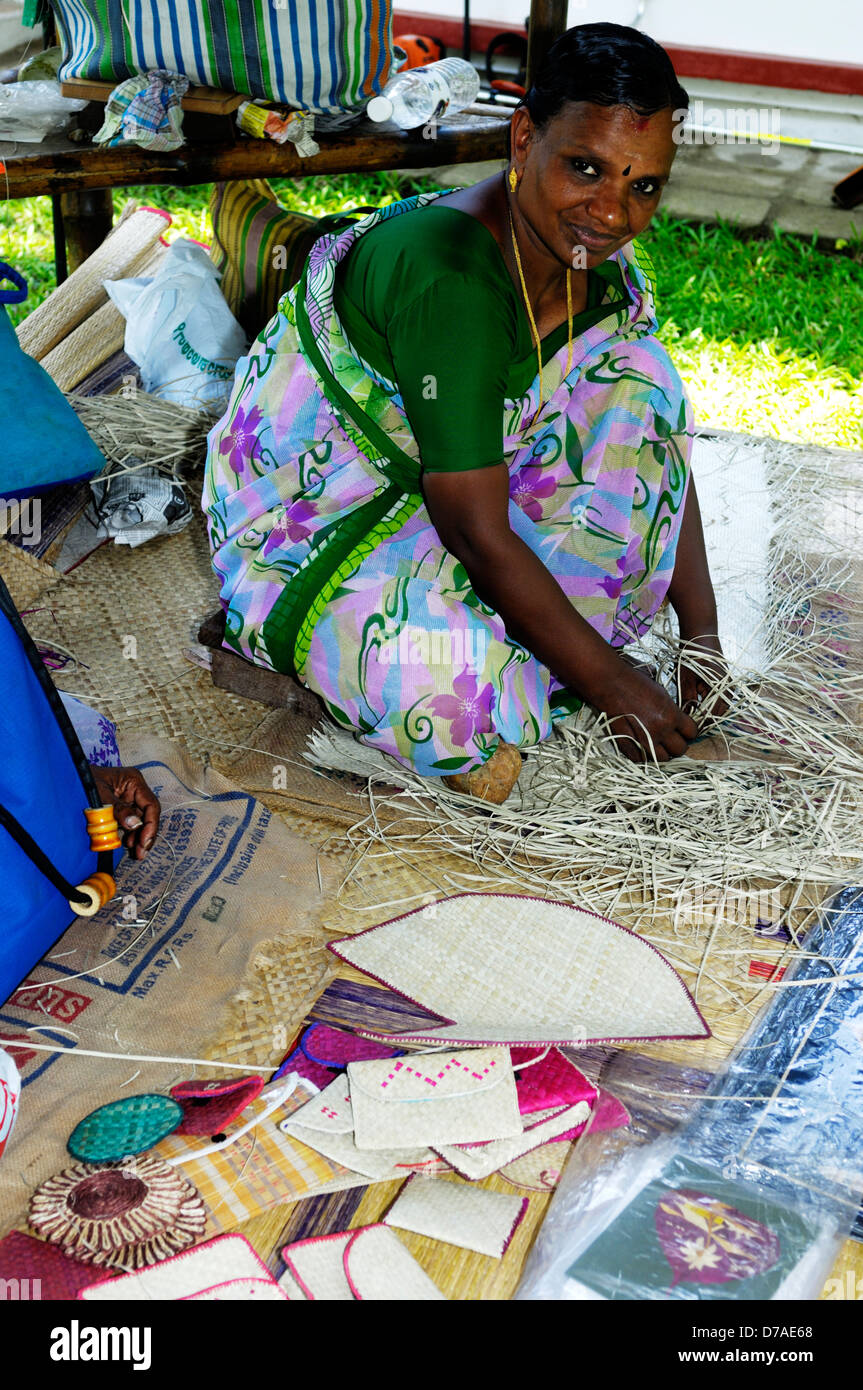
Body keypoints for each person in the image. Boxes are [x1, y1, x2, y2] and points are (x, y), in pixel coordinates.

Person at [203, 22, 726, 803]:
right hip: (320, 514)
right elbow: (475, 531)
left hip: (466, 482)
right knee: (451, 697)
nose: (612, 214)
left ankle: (547, 644)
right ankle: (336, 631)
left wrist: (703, 641)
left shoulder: (594, 266)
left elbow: (657, 447)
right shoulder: (453, 282)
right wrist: (615, 684)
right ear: (522, 140)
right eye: (583, 168)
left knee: (640, 374)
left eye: (641, 184)